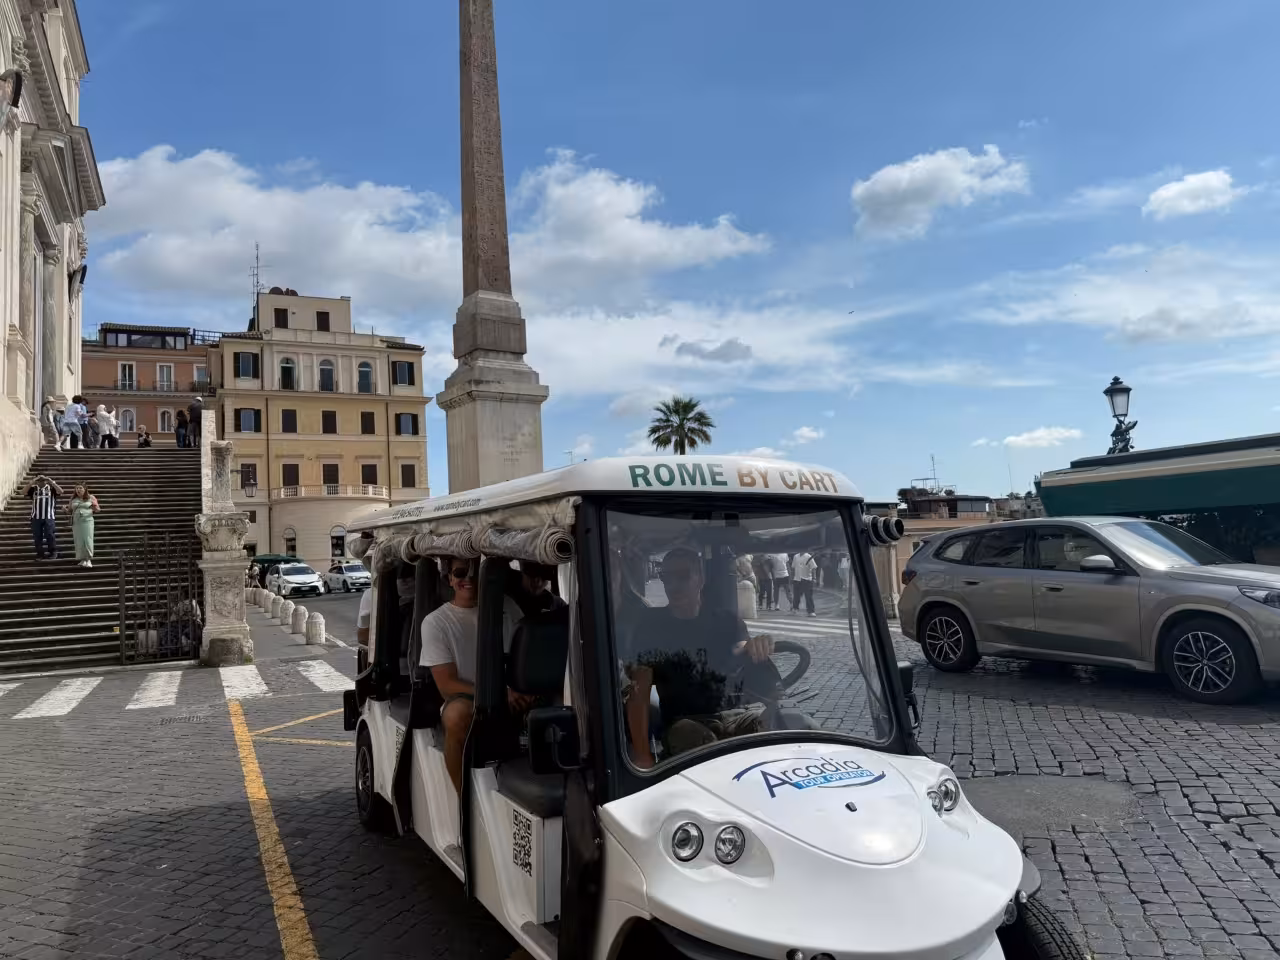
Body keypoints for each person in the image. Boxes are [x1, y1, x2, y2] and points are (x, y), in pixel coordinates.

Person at [623, 548, 776, 766]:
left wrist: (757, 645)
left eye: (683, 576)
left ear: (700, 579)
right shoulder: (650, 627)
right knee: (701, 746)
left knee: (787, 723)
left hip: (735, 715)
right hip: (683, 722)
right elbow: (638, 693)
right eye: (667, 577)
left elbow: (741, 646)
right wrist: (642, 754)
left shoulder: (726, 620)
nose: (674, 585)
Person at [420, 557, 527, 793]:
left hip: (514, 691)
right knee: (455, 716)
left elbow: (526, 654)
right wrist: (499, 693)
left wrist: (522, 690)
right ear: (449, 579)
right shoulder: (436, 622)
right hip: (471, 697)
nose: (467, 579)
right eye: (460, 573)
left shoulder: (507, 606)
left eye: (475, 573)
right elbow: (447, 685)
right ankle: (462, 800)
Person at [25, 474, 63, 560]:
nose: (41, 481)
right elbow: (23, 492)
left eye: (43, 480)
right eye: (39, 480)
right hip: (36, 517)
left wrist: (51, 481)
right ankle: (40, 554)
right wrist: (32, 481)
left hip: (49, 516)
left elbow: (61, 491)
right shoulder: (33, 489)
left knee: (50, 534)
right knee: (37, 536)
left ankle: (53, 552)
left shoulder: (51, 489)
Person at [67, 483, 100, 567]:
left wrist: (94, 507)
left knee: (87, 539)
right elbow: (69, 510)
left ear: (85, 489)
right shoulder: (73, 499)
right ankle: (82, 559)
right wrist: (65, 509)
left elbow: (98, 510)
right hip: (77, 522)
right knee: (79, 540)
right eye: (77, 488)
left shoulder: (91, 497)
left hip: (87, 521)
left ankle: (88, 559)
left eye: (80, 488)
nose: (78, 490)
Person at [791, 549, 817, 617]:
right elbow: (793, 567)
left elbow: (814, 568)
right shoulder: (795, 556)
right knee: (796, 596)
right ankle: (795, 608)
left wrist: (814, 578)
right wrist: (792, 577)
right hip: (797, 579)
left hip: (807, 579)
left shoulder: (808, 556)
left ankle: (811, 611)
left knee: (808, 596)